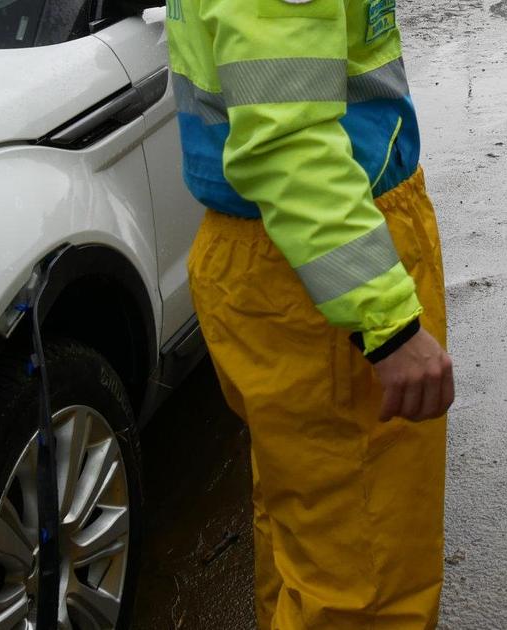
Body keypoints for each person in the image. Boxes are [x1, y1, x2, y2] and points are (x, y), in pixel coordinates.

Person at [164, 0, 454, 626]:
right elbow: (287, 141)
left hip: (289, 260)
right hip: (320, 273)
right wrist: (389, 324)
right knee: (365, 584)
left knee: (312, 536)